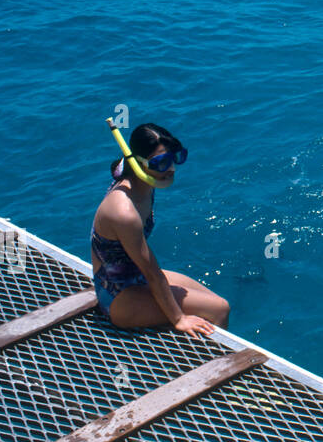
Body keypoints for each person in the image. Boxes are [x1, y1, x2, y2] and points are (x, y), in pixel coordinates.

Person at [89, 123, 229, 333]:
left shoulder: (142, 182)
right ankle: (205, 363)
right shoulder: (124, 212)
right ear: (138, 164)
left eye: (175, 158)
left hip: (136, 278)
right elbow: (152, 272)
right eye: (161, 162)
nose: (171, 168)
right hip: (118, 298)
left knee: (216, 301)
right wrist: (179, 318)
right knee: (219, 310)